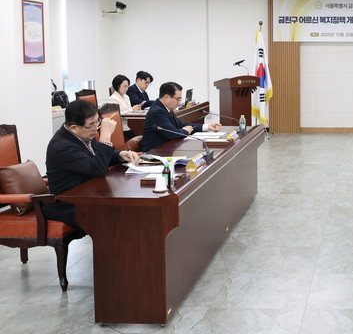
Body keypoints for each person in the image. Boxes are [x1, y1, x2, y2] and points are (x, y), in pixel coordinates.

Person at [45, 99, 140, 230]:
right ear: (74, 127)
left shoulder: (82, 134)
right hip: (70, 204)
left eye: (97, 122)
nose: (96, 129)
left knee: (132, 206)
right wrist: (105, 136)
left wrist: (120, 155)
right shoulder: (62, 146)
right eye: (91, 125)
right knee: (122, 214)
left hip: (90, 195)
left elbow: (96, 157)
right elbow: (96, 168)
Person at [141, 81, 221, 152]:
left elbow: (181, 125)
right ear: (166, 97)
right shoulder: (158, 111)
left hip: (165, 149)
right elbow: (172, 133)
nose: (179, 103)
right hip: (153, 153)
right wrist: (185, 131)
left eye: (180, 99)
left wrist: (207, 126)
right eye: (178, 99)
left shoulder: (165, 108)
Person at [106, 74, 142, 139]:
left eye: (127, 86)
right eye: (124, 86)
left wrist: (135, 109)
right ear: (118, 86)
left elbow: (129, 110)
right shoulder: (112, 99)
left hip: (129, 124)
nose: (126, 88)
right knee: (138, 135)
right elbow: (115, 116)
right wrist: (132, 109)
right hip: (122, 127)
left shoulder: (126, 96)